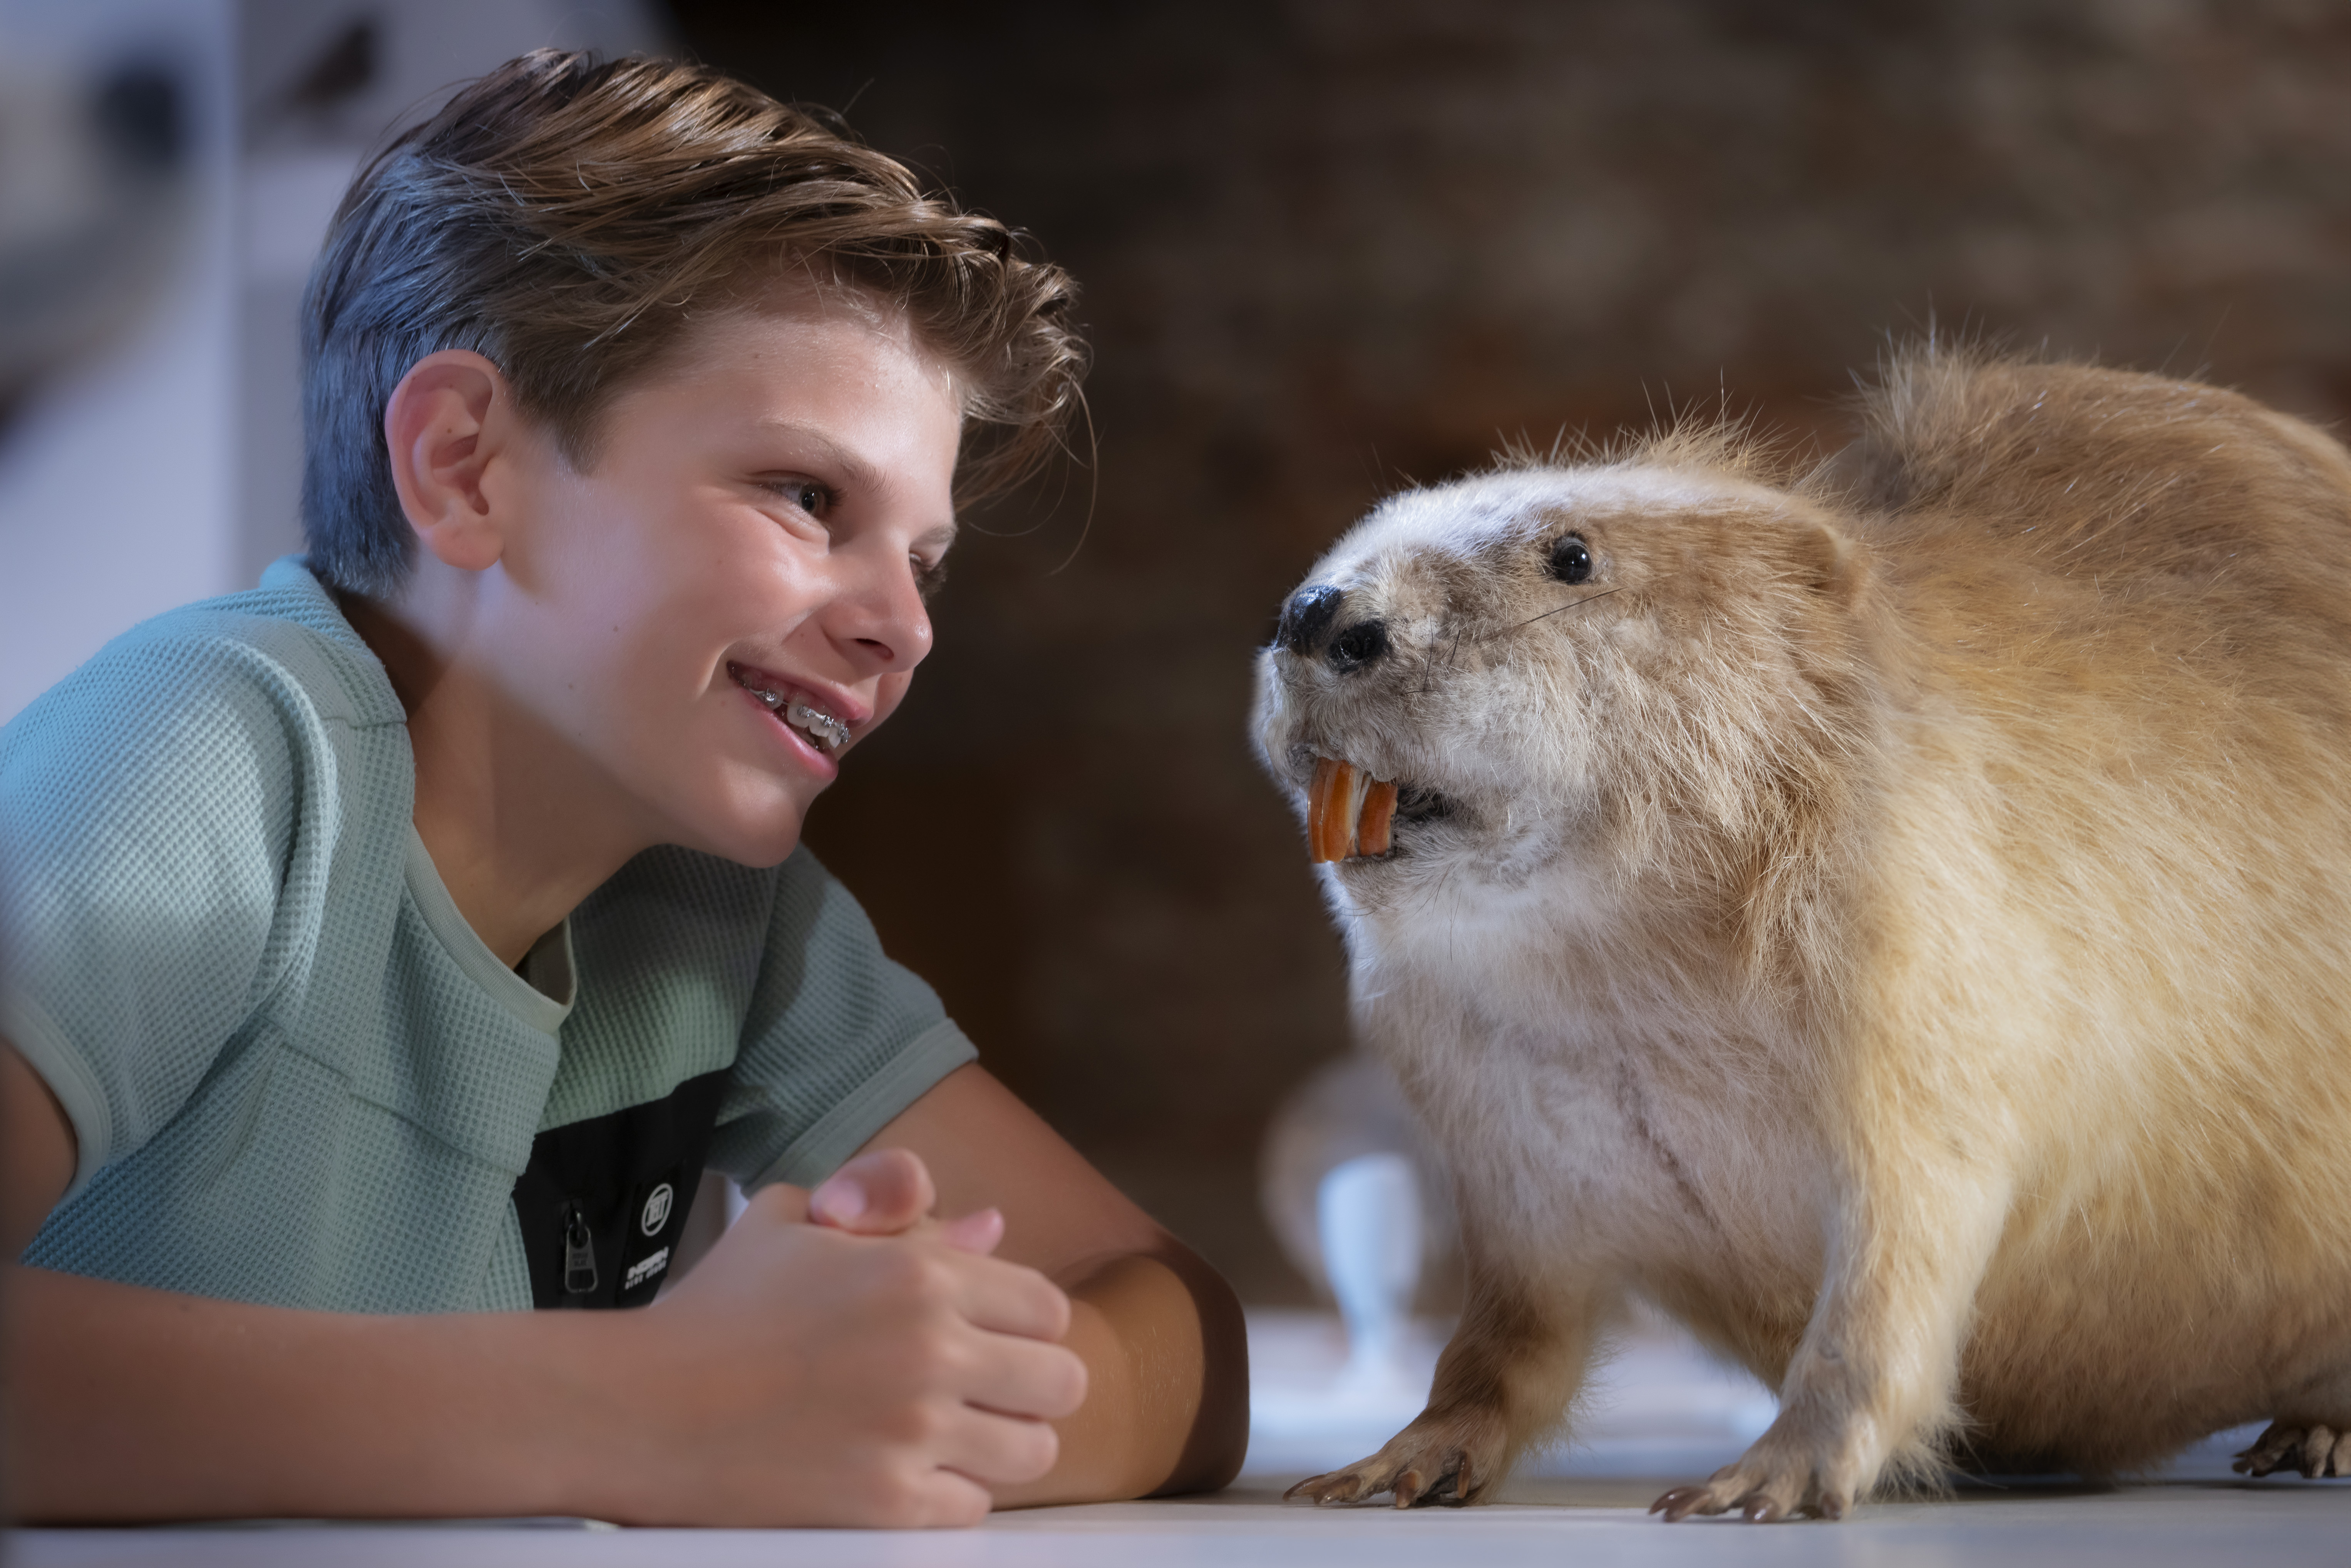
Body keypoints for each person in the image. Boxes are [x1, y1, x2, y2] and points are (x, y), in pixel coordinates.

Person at [0, 50, 1247, 1528]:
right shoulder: (208, 757)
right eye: (806, 497)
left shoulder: (719, 908)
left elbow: (1181, 1329)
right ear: (467, 468)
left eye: (924, 562)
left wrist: (906, 1398)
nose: (903, 628)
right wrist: (653, 1409)